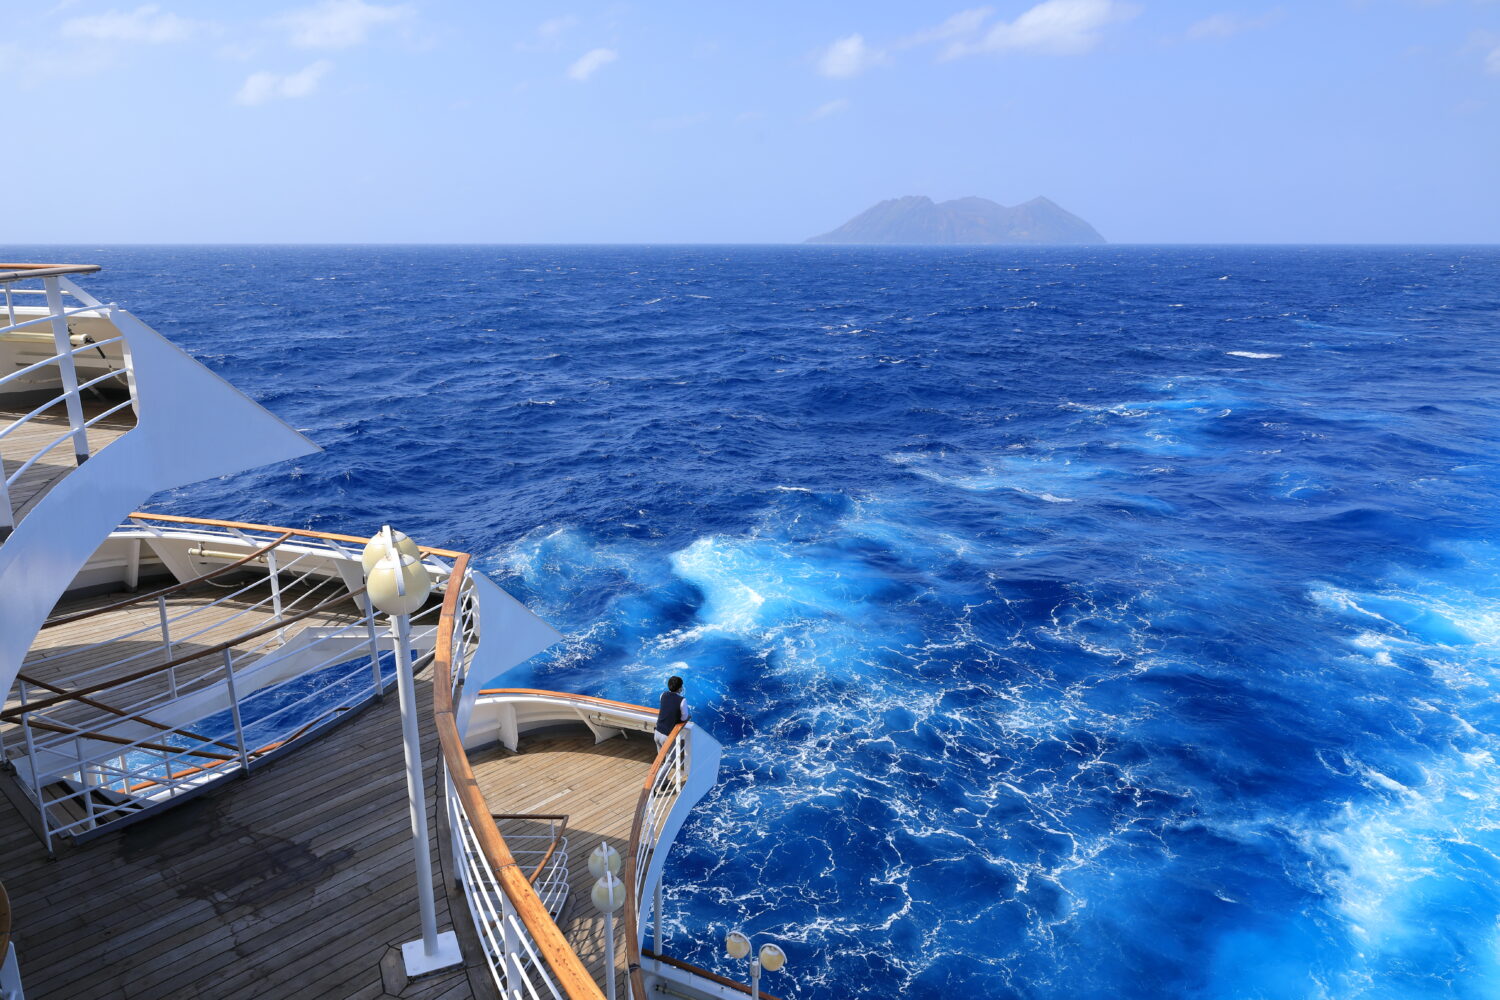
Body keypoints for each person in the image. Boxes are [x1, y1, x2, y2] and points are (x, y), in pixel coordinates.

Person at [655, 674, 690, 749]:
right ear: (680, 688)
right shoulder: (682, 700)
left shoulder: (662, 695)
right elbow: (684, 718)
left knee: (660, 757)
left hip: (657, 732)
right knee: (670, 760)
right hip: (667, 736)